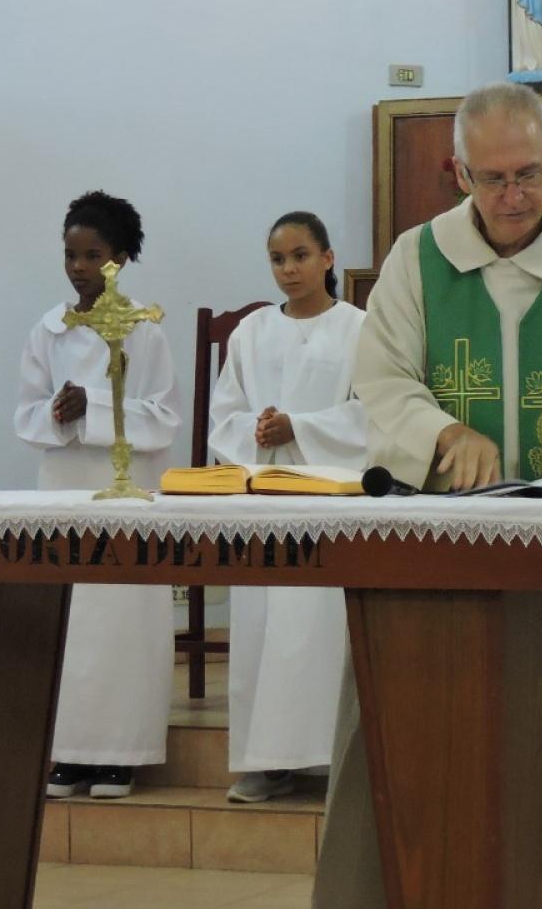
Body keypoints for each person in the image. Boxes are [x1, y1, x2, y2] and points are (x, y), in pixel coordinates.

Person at [311, 82, 542, 908]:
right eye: (493, 178)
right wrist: (440, 435)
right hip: (438, 543)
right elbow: (383, 380)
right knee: (404, 743)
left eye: (530, 175)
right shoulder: (415, 259)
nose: (514, 197)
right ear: (458, 173)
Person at [15, 190, 181, 799]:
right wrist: (59, 416)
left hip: (126, 496)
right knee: (72, 621)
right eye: (71, 254)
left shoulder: (144, 330)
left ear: (120, 257)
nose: (79, 266)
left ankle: (120, 754)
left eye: (93, 254)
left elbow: (162, 418)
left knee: (121, 620)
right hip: (63, 490)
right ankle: (69, 752)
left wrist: (97, 411)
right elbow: (25, 413)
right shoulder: (49, 329)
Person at [207, 211, 367, 803]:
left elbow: (371, 414)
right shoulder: (250, 332)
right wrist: (258, 431)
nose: (289, 269)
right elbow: (225, 415)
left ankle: (326, 757)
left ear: (327, 258)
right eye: (277, 259)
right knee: (260, 630)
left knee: (315, 629)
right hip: (262, 501)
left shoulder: (359, 328)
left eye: (300, 255)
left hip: (326, 500)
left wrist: (298, 426)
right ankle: (262, 760)